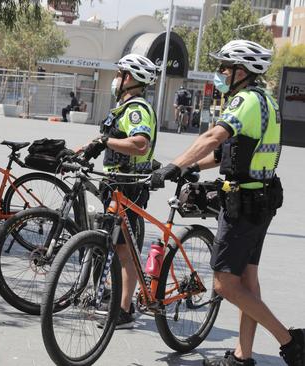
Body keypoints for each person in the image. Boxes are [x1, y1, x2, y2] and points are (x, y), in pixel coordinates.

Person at [151, 40, 304, 366]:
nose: (220, 73)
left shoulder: (245, 101)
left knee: (224, 285)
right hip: (261, 199)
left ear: (241, 71)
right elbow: (227, 154)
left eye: (225, 67)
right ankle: (242, 356)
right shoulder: (266, 101)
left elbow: (212, 138)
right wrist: (193, 166)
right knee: (248, 282)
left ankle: (291, 342)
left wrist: (174, 165)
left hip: (243, 205)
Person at [80, 53, 159, 330]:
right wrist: (83, 150)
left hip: (129, 186)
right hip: (115, 184)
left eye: (119, 73)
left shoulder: (137, 109)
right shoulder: (123, 108)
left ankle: (125, 310)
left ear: (130, 78)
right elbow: (109, 140)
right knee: (119, 247)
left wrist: (106, 141)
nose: (115, 79)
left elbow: (140, 144)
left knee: (126, 252)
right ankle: (117, 300)